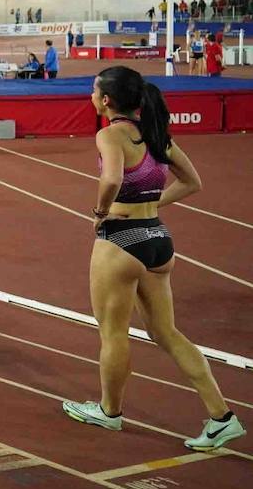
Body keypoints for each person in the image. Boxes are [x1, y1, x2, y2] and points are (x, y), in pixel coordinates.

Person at [63, 67, 244, 452]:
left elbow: (111, 178)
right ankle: (222, 417)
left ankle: (109, 412)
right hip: (158, 239)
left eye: (94, 90)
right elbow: (193, 182)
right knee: (167, 333)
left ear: (107, 100)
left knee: (112, 332)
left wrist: (101, 212)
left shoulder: (109, 134)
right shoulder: (156, 135)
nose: (91, 95)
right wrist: (150, 204)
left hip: (121, 241)